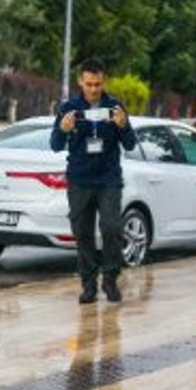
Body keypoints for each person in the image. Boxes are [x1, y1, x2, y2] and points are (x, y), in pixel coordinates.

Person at [51, 59, 137, 304]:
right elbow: (55, 145)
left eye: (97, 84)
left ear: (103, 81)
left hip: (108, 179)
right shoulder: (69, 108)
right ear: (80, 82)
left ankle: (110, 278)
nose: (93, 89)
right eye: (88, 84)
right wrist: (63, 129)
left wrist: (123, 126)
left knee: (112, 228)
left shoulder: (115, 106)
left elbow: (130, 144)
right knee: (83, 234)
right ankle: (88, 284)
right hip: (79, 180)